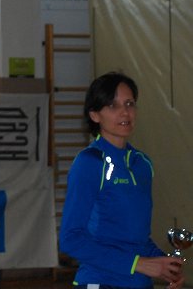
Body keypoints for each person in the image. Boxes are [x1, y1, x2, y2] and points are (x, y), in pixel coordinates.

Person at [59, 72, 185, 289]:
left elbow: (137, 238)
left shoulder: (142, 164)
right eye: (113, 105)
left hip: (140, 283)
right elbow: (71, 239)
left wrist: (165, 265)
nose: (125, 112)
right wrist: (138, 264)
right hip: (100, 281)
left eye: (129, 104)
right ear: (95, 115)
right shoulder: (89, 163)